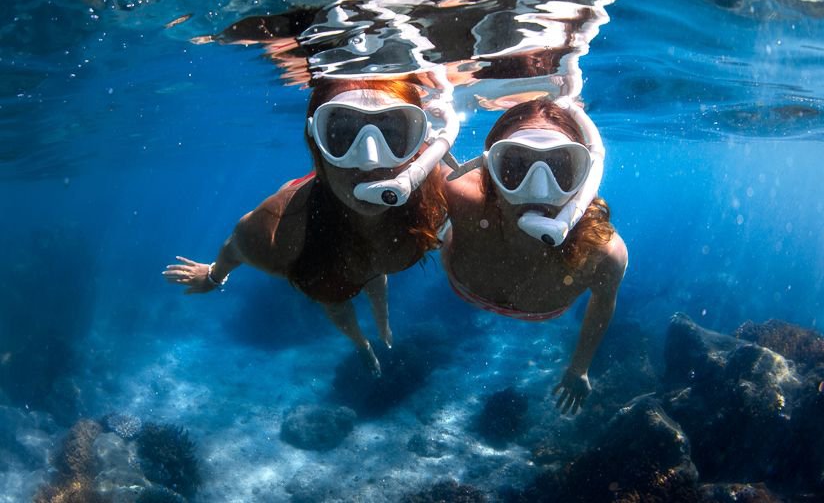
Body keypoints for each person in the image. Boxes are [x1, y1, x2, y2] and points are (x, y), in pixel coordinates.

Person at [163, 78, 457, 375]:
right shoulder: (278, 229)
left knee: (375, 276)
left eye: (392, 134)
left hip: (367, 255)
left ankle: (383, 328)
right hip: (320, 249)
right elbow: (235, 247)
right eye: (342, 135)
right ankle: (362, 344)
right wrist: (213, 276)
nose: (370, 162)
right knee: (335, 301)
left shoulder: (438, 196)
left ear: (418, 143)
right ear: (315, 143)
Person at [442, 98, 627, 414]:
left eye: (560, 168)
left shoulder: (603, 254)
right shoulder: (459, 197)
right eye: (514, 167)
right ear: (490, 174)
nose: (538, 190)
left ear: (583, 179)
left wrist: (579, 368)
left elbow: (603, 301)